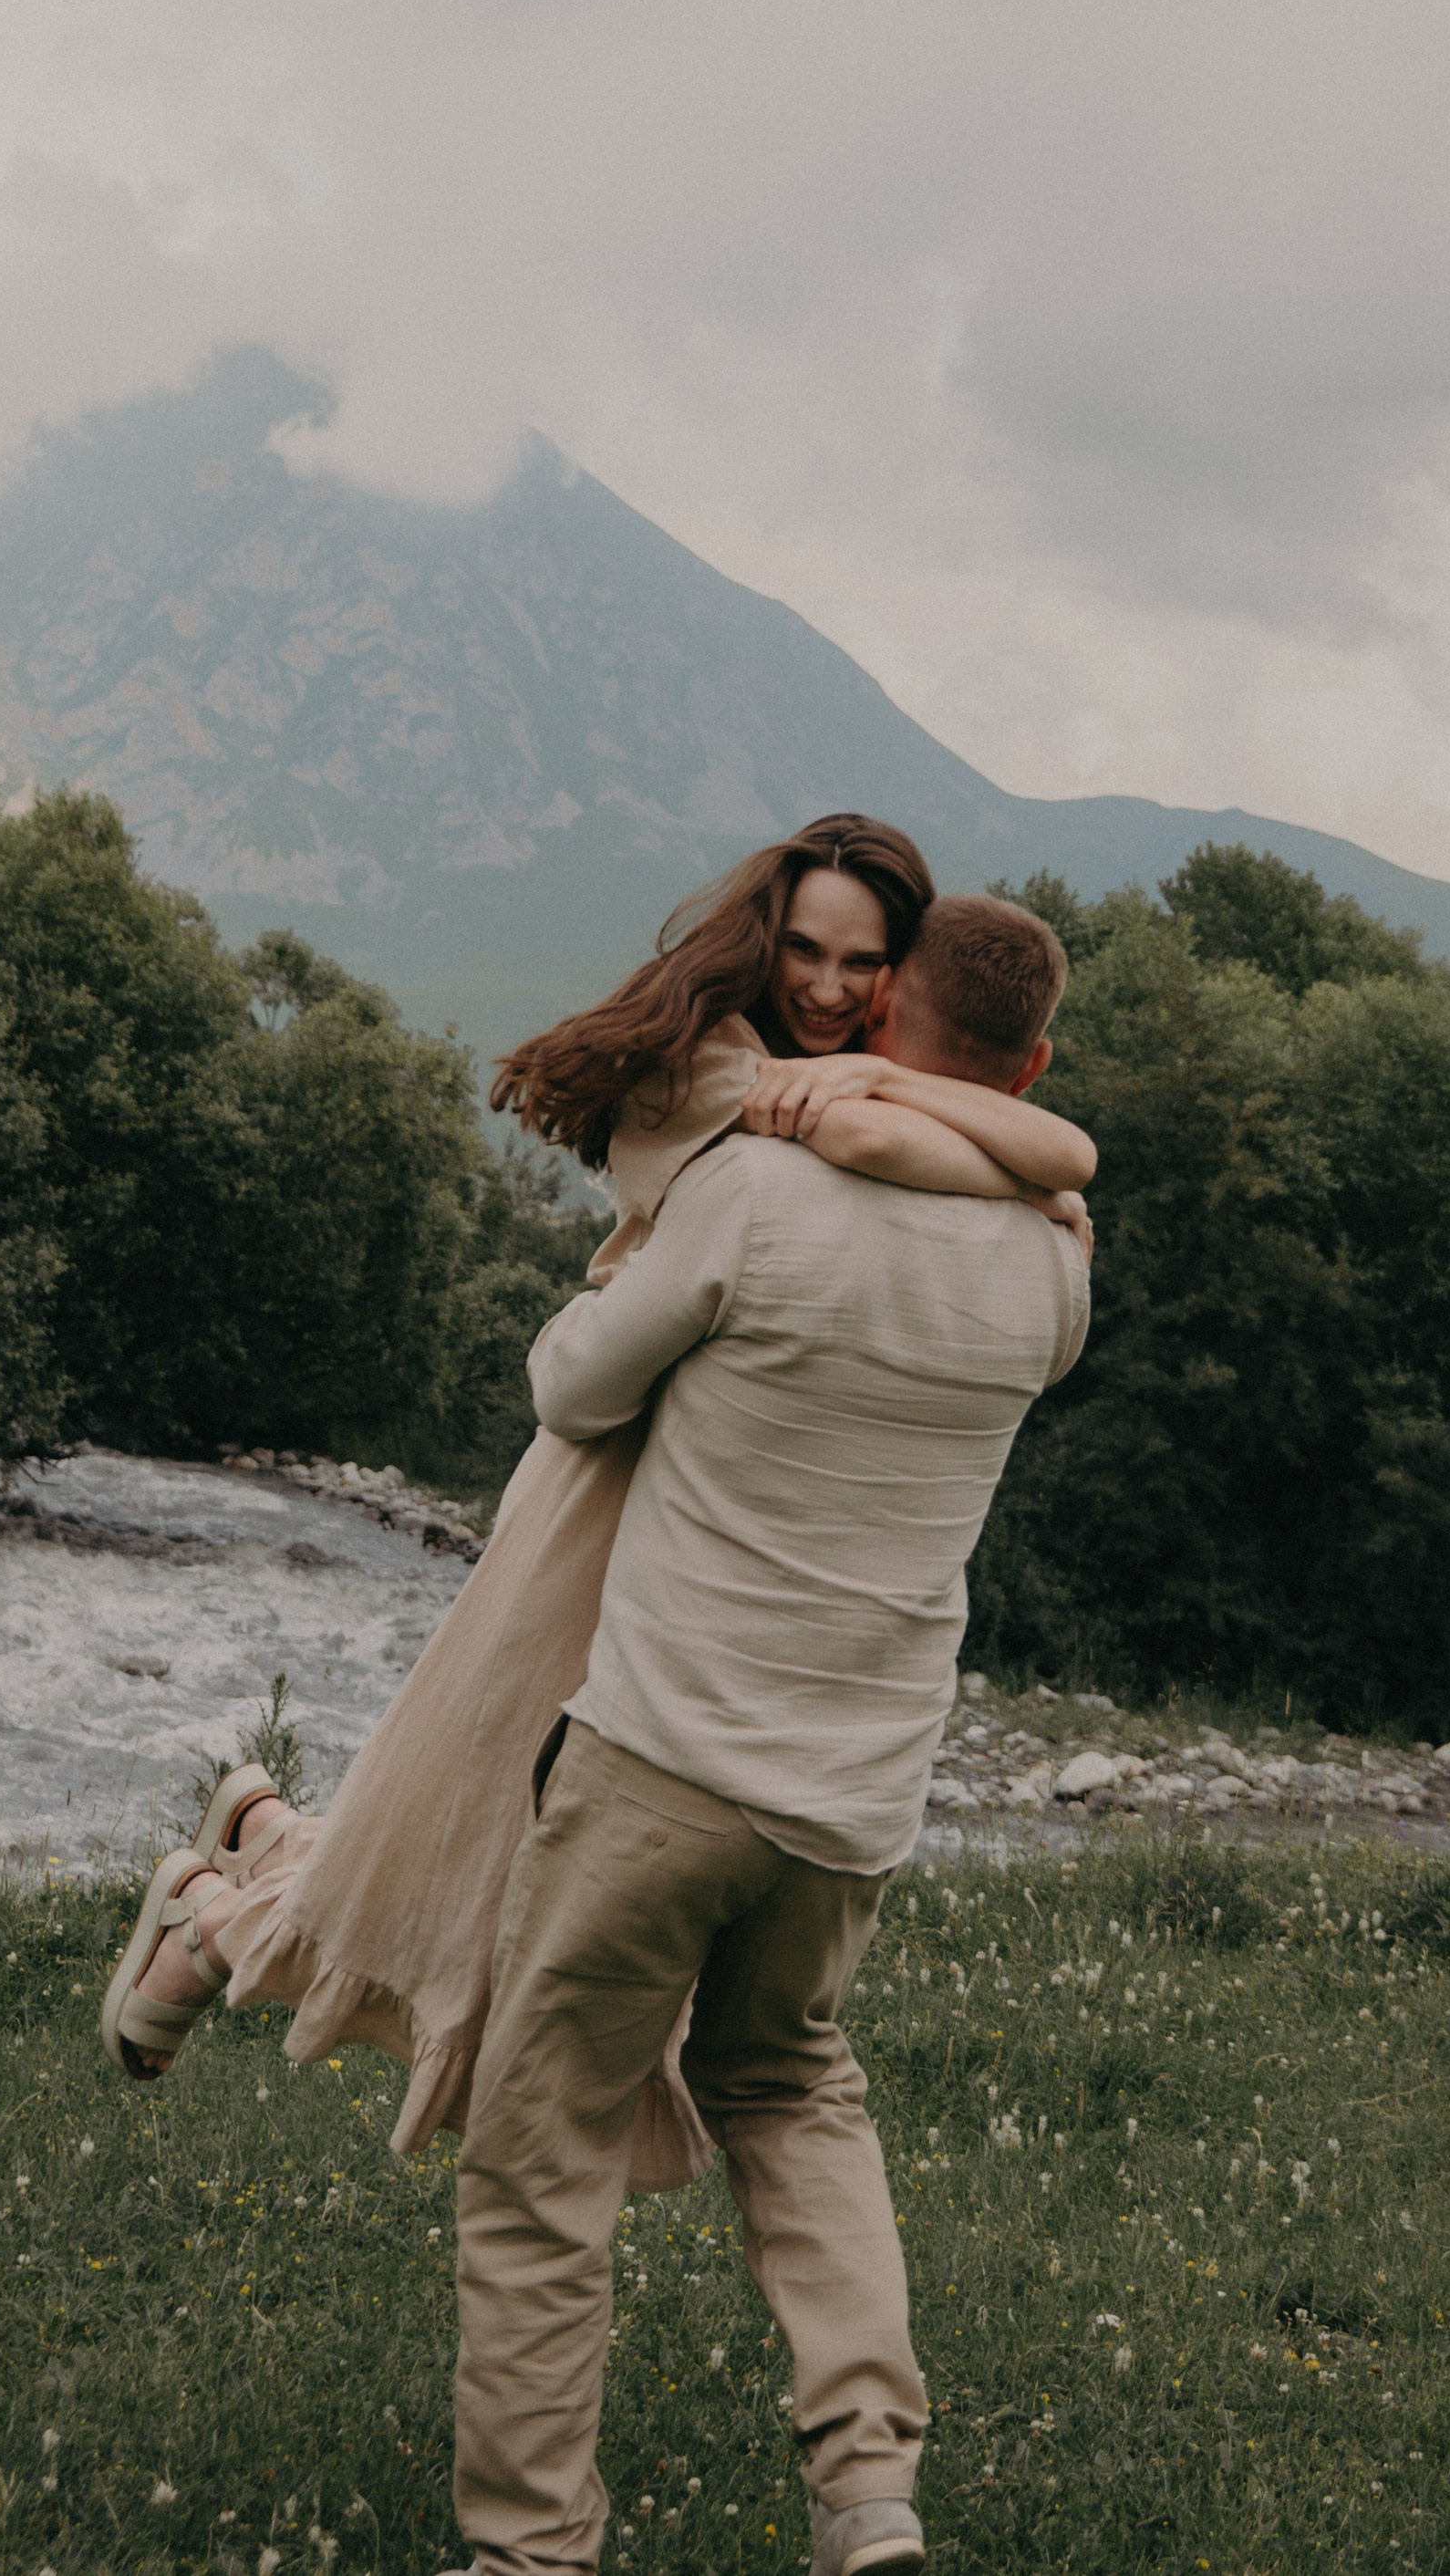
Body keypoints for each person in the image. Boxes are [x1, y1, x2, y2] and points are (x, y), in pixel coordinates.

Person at [99, 821, 1093, 2188]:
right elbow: (1019, 1150)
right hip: (610, 1484)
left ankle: (251, 1863)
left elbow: (1063, 1146)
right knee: (491, 1824)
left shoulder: (850, 1083)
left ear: (902, 977)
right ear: (761, 937)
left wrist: (984, 1136)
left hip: (712, 1498)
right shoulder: (721, 1070)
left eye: (863, 966)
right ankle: (219, 1917)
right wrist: (1011, 1170)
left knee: (502, 1828)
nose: (824, 984)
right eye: (802, 947)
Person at [445, 894, 1088, 2576]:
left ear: (875, 1017)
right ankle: (869, 2492)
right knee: (793, 2087)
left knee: (541, 2152)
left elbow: (572, 1388)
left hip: (660, 1754)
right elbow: (1048, 1162)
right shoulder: (1057, 1266)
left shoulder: (751, 1188)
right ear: (1022, 1067)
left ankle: (530, 2552)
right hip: (852, 1799)